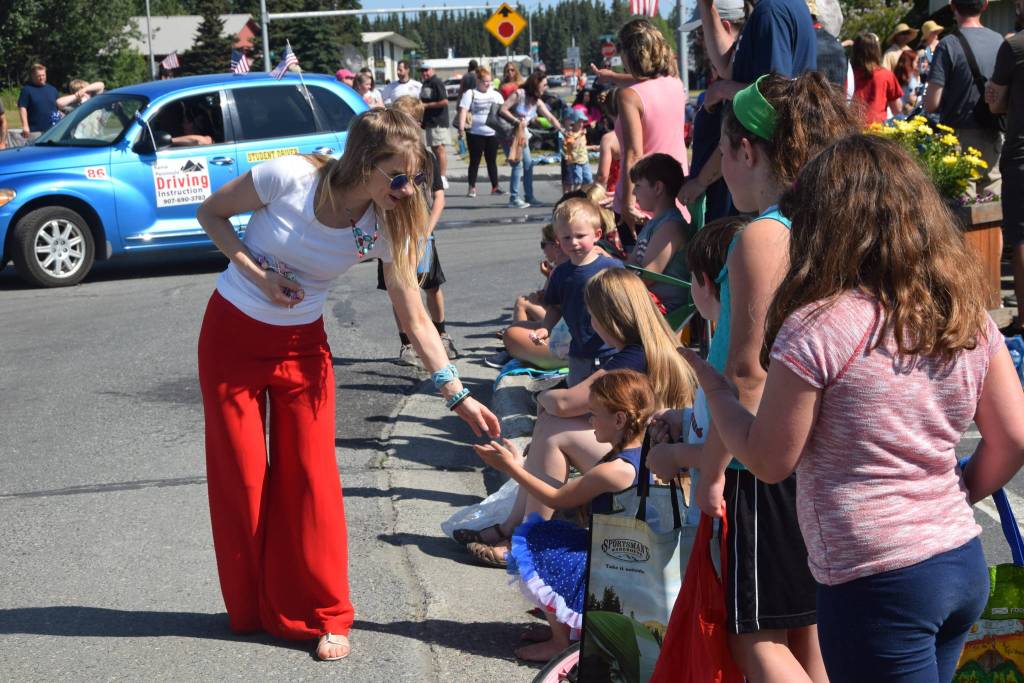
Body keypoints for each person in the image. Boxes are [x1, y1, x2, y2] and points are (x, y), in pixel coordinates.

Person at [683, 132, 1024, 683]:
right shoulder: (962, 315)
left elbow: (771, 462)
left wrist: (719, 391)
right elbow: (1013, 438)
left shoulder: (819, 326)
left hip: (876, 578)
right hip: (958, 557)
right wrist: (955, 490)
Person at [194, 108, 500, 662]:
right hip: (230, 337)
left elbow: (415, 316)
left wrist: (457, 394)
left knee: (312, 480)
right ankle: (250, 607)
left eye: (416, 179)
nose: (409, 191)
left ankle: (328, 614)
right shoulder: (285, 176)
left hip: (302, 350)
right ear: (364, 162)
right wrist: (259, 274)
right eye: (400, 177)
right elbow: (210, 214)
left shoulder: (386, 223)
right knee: (242, 481)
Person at [698, 72, 860, 682]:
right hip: (817, 452)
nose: (723, 168)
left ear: (748, 150)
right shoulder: (831, 224)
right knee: (808, 631)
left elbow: (746, 375)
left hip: (760, 462)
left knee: (757, 639)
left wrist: (710, 471)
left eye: (723, 151)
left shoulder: (763, 236)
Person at [459, 268, 695, 568]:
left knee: (555, 430)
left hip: (650, 471)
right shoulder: (656, 345)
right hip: (656, 459)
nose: (592, 324)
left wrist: (541, 398)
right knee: (550, 427)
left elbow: (569, 402)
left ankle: (526, 539)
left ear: (612, 317)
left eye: (593, 315)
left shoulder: (634, 357)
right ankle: (513, 529)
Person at [473, 369, 657, 662]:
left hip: (617, 564)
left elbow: (555, 497)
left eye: (594, 414)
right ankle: (565, 633)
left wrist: (511, 468)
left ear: (619, 419)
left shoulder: (616, 470)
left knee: (534, 540)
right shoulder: (640, 452)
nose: (589, 421)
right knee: (549, 533)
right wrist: (519, 462)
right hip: (619, 552)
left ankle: (561, 644)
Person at [646, 216, 748, 484]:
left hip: (735, 498)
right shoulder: (726, 343)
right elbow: (717, 422)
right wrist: (684, 418)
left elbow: (739, 444)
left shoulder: (734, 356)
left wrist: (676, 455)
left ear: (704, 281)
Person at [377, 96, 458, 365]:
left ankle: (442, 334)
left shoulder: (427, 157)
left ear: (417, 124)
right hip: (394, 234)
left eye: (405, 122)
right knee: (399, 287)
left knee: (432, 286)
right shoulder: (386, 158)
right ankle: (407, 344)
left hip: (422, 233)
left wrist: (427, 229)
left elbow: (439, 197)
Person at [613, 19, 690, 239]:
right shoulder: (675, 84)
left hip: (643, 197)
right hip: (674, 191)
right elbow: (649, 83)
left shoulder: (629, 97)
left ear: (629, 53)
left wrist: (628, 204)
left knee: (637, 269)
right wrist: (612, 78)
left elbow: (633, 153)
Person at [925, 0, 1004, 196]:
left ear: (952, 6)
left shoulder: (947, 45)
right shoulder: (1000, 41)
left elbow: (931, 103)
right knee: (992, 202)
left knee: (962, 204)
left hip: (958, 137)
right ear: (985, 5)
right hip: (993, 132)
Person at [678, 0, 746, 224]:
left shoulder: (736, 83)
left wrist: (700, 182)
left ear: (725, 27)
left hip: (727, 210)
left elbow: (734, 143)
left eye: (701, 33)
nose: (699, 42)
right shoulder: (727, 81)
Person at [987, 0, 1024, 335]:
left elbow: (996, 100)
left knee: (1021, 235)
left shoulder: (1014, 45)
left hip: (1021, 154)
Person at [628, 153, 692, 313]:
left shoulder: (670, 227)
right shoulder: (654, 223)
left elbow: (648, 277)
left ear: (657, 188)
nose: (634, 193)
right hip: (648, 301)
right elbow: (631, 262)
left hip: (664, 308)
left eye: (638, 186)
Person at [501, 71, 565, 209]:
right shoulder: (519, 94)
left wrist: (563, 130)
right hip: (509, 135)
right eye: (544, 84)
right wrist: (516, 121)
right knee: (517, 164)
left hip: (522, 135)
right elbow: (503, 109)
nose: (546, 87)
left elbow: (550, 118)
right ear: (536, 84)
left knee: (528, 164)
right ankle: (513, 198)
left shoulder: (537, 101)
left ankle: (529, 196)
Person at [456, 66, 506, 198]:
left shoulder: (495, 94)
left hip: (492, 133)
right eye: (485, 81)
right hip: (474, 132)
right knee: (475, 161)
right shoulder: (470, 93)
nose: (488, 84)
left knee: (492, 160)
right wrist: (461, 129)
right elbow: (463, 111)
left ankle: (495, 187)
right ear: (478, 81)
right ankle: (471, 187)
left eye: (489, 81)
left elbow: (503, 111)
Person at [852, 32, 904, 123]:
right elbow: (897, 109)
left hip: (853, 128)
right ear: (877, 50)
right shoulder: (886, 75)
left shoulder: (848, 73)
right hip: (877, 129)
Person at [417, 64, 451, 189]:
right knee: (434, 149)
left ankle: (442, 177)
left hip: (438, 121)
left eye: (426, 70)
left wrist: (427, 105)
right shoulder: (425, 84)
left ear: (433, 70)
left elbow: (444, 101)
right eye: (422, 71)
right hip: (429, 122)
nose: (424, 73)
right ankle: (439, 176)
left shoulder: (437, 82)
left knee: (439, 149)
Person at [18, 63, 59, 142]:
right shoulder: (27, 90)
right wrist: (25, 126)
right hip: (35, 131)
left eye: (43, 75)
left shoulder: (52, 89)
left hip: (53, 129)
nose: (41, 78)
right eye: (38, 76)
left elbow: (58, 107)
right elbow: (22, 108)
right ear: (33, 76)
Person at [564, 110, 593, 190]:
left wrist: (594, 147)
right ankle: (576, 197)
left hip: (584, 160)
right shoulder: (570, 134)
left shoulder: (582, 133)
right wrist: (579, 136)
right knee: (578, 181)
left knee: (588, 179)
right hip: (575, 162)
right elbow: (572, 146)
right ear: (574, 122)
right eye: (579, 122)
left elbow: (582, 146)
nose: (581, 124)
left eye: (582, 122)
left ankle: (584, 196)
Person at [896, 48, 923, 113]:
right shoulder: (911, 79)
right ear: (910, 62)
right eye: (916, 61)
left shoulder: (900, 75)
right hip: (905, 111)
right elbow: (912, 99)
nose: (918, 64)